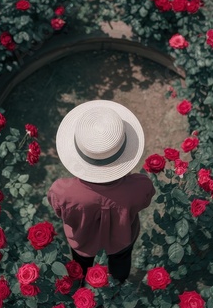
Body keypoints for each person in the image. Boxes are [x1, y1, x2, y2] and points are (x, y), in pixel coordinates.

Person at [47, 100, 155, 284]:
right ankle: (117, 288)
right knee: (120, 265)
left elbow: (58, 212)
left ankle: (82, 291)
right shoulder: (140, 186)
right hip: (122, 239)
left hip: (82, 240)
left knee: (80, 266)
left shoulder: (62, 191)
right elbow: (145, 201)